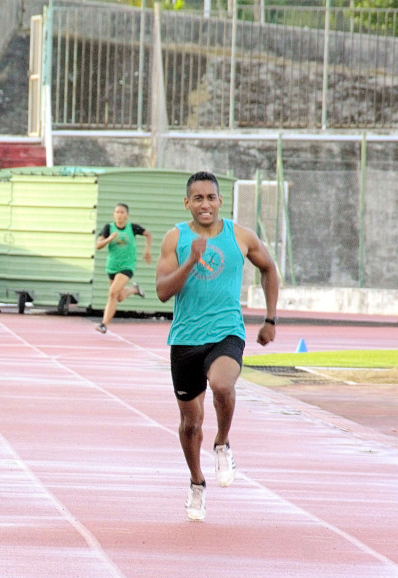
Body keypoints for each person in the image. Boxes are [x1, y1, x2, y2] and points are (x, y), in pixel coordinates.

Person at [155, 171, 278, 521]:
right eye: (198, 198)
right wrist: (190, 260)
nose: (205, 204)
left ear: (220, 201)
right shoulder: (175, 238)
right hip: (185, 339)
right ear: (187, 203)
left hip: (226, 332)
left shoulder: (240, 236)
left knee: (223, 385)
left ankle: (222, 442)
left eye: (211, 197)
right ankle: (197, 482)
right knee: (190, 423)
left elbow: (269, 269)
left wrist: (270, 319)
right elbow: (163, 291)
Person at [94, 203, 153, 334]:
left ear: (127, 215)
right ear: (114, 214)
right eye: (117, 212)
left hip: (127, 266)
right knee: (118, 297)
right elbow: (98, 245)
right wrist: (109, 238)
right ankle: (134, 290)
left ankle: (103, 324)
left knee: (112, 293)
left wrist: (147, 251)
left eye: (122, 212)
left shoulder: (132, 227)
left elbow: (148, 234)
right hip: (112, 267)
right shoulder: (108, 228)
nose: (119, 215)